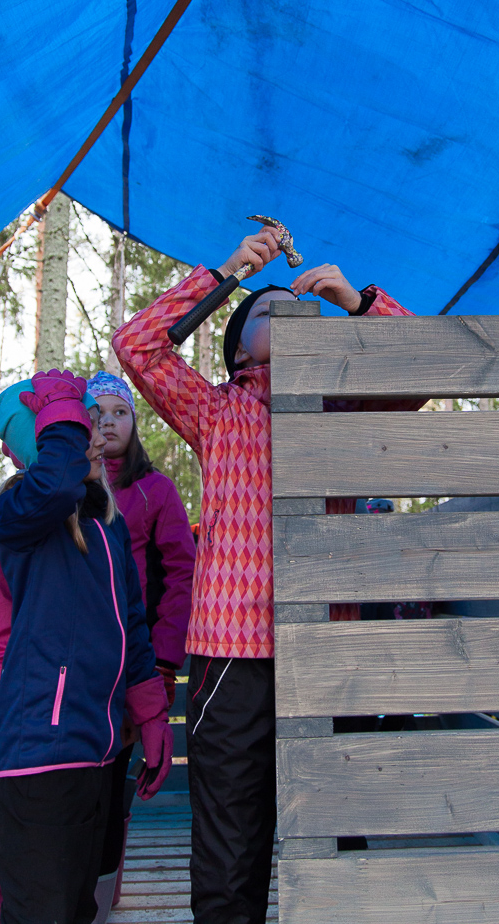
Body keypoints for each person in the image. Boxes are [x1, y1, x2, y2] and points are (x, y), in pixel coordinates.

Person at [112, 224, 422, 924]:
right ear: (239, 348)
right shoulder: (215, 411)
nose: (285, 310)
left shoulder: (346, 410)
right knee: (230, 838)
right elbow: (137, 344)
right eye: (265, 310)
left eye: (296, 305)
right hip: (230, 655)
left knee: (337, 826)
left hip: (328, 649)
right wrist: (226, 274)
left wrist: (357, 301)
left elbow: (417, 372)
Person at [0, 370, 173, 924]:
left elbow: (131, 627)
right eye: (83, 425)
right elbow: (54, 487)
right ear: (48, 440)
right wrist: (61, 414)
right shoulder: (14, 517)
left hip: (95, 749)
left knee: (79, 907)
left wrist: (151, 715)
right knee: (44, 911)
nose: (96, 435)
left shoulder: (105, 525)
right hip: (40, 752)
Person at [86, 370, 196, 911]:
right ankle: (66, 893)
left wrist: (165, 661)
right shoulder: (67, 487)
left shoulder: (155, 491)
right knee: (75, 782)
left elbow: (181, 574)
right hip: (75, 665)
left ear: (135, 422)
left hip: (133, 665)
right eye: (96, 412)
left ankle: (102, 898)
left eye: (120, 412)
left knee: (112, 784)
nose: (108, 422)